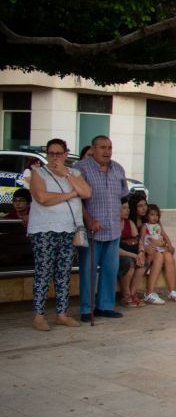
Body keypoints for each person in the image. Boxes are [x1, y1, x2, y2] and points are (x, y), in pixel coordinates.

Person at [27, 138, 90, 330]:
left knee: (63, 272)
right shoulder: (38, 172)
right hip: (44, 229)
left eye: (58, 153)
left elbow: (86, 192)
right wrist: (70, 194)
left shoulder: (74, 173)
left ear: (65, 154)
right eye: (51, 153)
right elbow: (42, 197)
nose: (54, 157)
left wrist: (67, 175)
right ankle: (38, 316)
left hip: (68, 229)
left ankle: (61, 314)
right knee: (44, 271)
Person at [77, 135, 129, 321]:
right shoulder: (81, 168)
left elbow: (123, 197)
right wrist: (89, 220)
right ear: (93, 149)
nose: (107, 151)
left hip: (113, 229)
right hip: (92, 230)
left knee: (110, 270)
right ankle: (86, 309)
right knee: (88, 271)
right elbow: (77, 200)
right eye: (102, 147)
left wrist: (121, 220)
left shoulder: (118, 169)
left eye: (110, 147)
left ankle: (105, 306)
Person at [141, 204, 176, 304]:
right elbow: (142, 240)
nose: (155, 217)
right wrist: (145, 249)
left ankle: (172, 291)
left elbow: (164, 235)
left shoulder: (158, 225)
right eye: (152, 215)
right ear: (147, 215)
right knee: (159, 257)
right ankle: (149, 293)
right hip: (151, 249)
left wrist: (170, 245)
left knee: (169, 257)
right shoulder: (145, 226)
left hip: (160, 247)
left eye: (157, 215)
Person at [118, 198, 144, 309]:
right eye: (124, 208)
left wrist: (141, 252)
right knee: (129, 264)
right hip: (120, 256)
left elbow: (139, 240)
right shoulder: (113, 225)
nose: (127, 210)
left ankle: (133, 293)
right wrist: (135, 256)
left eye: (128, 208)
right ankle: (126, 295)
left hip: (132, 254)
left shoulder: (130, 223)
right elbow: (115, 249)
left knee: (143, 264)